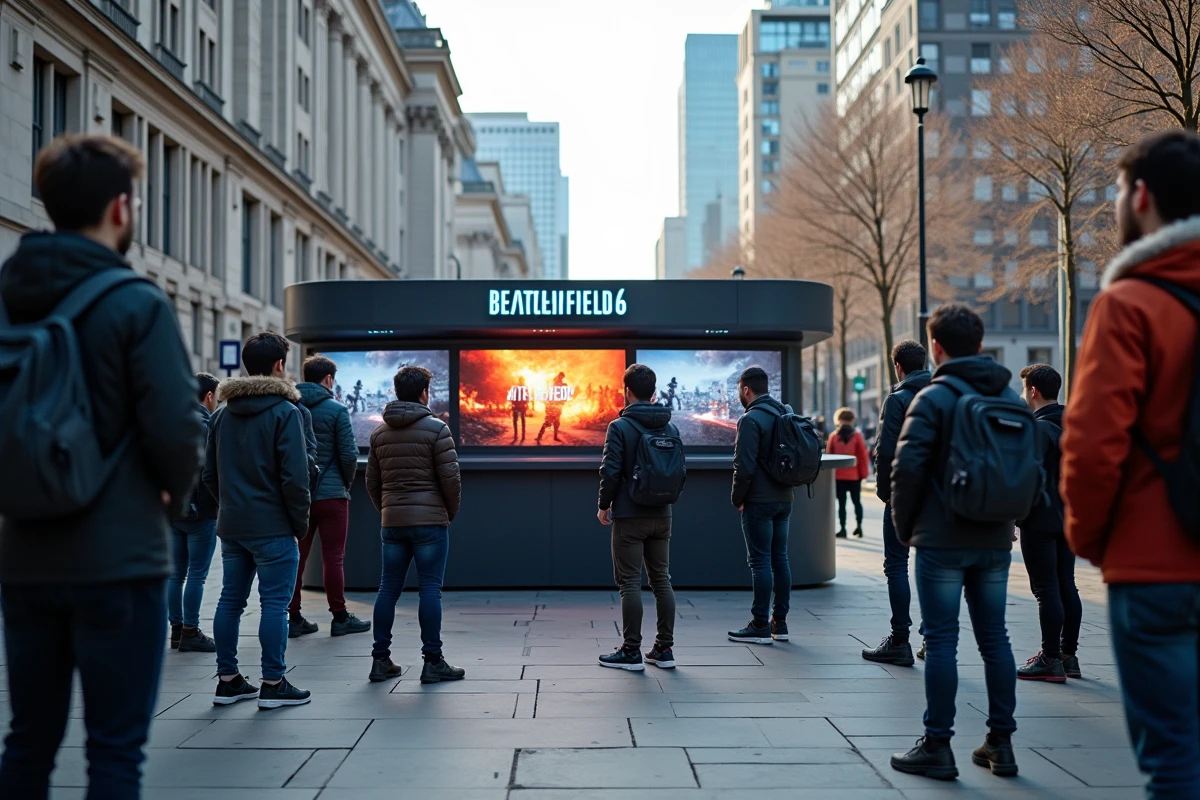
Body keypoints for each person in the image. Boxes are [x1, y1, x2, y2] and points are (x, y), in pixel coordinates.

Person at [0, 134, 203, 798]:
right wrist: (174, 496)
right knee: (115, 752)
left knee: (27, 741)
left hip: (24, 552)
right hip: (119, 558)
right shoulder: (135, 302)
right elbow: (177, 428)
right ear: (121, 208)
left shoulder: (7, 292)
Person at [1061, 129, 1200, 799]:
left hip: (1155, 568)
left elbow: (1092, 445)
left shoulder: (1131, 303)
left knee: (1174, 759)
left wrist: (1091, 539)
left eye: (1116, 189)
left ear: (1141, 196)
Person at [889, 304, 1019, 780]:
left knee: (941, 640)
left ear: (937, 348)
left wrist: (906, 531)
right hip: (995, 538)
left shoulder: (934, 397)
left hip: (942, 539)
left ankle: (938, 746)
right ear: (981, 345)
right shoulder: (1009, 396)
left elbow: (906, 470)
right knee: (996, 639)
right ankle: (1001, 744)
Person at [204, 331, 313, 709]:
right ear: (279, 365)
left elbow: (208, 475)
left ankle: (228, 680)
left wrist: (230, 505)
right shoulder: (286, 413)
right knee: (274, 605)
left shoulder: (220, 415)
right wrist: (298, 524)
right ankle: (273, 682)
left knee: (229, 602)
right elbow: (295, 480)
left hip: (233, 526)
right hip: (273, 526)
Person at [367, 366, 465, 684]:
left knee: (387, 589)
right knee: (430, 590)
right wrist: (447, 513)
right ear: (424, 392)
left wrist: (387, 511)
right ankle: (432, 662)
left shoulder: (379, 433)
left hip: (392, 523)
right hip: (429, 522)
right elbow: (451, 480)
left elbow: (372, 482)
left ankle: (380, 660)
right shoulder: (437, 429)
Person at [596, 364, 681, 671]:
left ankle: (631, 651)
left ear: (627, 391)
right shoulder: (670, 427)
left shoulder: (620, 427)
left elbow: (610, 470)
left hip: (630, 515)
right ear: (654, 392)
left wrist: (603, 505)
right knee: (661, 580)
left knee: (630, 582)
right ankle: (664, 649)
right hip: (663, 514)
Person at [289, 355, 369, 639]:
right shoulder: (336, 409)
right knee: (333, 557)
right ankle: (339, 617)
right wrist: (343, 484)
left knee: (297, 558)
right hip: (332, 496)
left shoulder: (290, 408)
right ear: (329, 379)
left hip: (299, 496)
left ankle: (294, 618)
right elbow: (348, 454)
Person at [862, 340, 930, 667]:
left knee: (896, 565)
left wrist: (885, 494)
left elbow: (885, 452)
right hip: (939, 499)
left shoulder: (897, 399)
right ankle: (933, 638)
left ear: (898, 367)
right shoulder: (943, 396)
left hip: (904, 496)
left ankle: (899, 640)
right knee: (933, 567)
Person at [1016, 364, 1080, 684]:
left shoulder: (1036, 430)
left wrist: (1013, 517)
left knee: (1046, 590)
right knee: (1066, 583)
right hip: (1069, 517)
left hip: (1039, 518)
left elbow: (1025, 478)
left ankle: (1049, 658)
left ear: (1033, 391)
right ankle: (1069, 656)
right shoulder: (1075, 424)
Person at [729, 366, 793, 645]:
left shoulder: (751, 419)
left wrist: (737, 497)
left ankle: (759, 624)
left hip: (759, 500)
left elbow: (744, 466)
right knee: (780, 559)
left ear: (746, 389)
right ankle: (780, 623)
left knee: (760, 562)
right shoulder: (783, 412)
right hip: (785, 498)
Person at [169, 372, 222, 654]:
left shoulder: (169, 423)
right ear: (209, 396)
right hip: (201, 511)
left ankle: (176, 630)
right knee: (197, 575)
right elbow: (210, 471)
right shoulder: (206, 426)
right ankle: (191, 630)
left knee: (175, 574)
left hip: (173, 511)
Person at [827, 407, 869, 538]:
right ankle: (859, 527)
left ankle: (843, 529)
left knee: (842, 504)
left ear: (838, 420)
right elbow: (863, 456)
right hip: (854, 475)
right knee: (857, 502)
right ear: (852, 420)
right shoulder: (857, 436)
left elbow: (829, 456)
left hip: (839, 476)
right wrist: (864, 474)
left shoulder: (833, 436)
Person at [536, 371, 568, 443]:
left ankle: (554, 437)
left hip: (557, 406)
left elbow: (564, 397)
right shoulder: (554, 385)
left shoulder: (562, 385)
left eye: (562, 377)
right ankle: (539, 436)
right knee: (548, 422)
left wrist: (562, 402)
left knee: (556, 422)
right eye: (560, 377)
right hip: (552, 406)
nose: (560, 379)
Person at [511, 375, 529, 443]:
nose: (521, 381)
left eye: (522, 380)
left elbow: (527, 397)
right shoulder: (516, 388)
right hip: (516, 406)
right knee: (515, 421)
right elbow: (513, 396)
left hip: (522, 406)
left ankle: (523, 435)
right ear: (519, 381)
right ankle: (516, 435)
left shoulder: (525, 388)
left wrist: (526, 404)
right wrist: (513, 404)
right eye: (520, 380)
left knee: (522, 420)